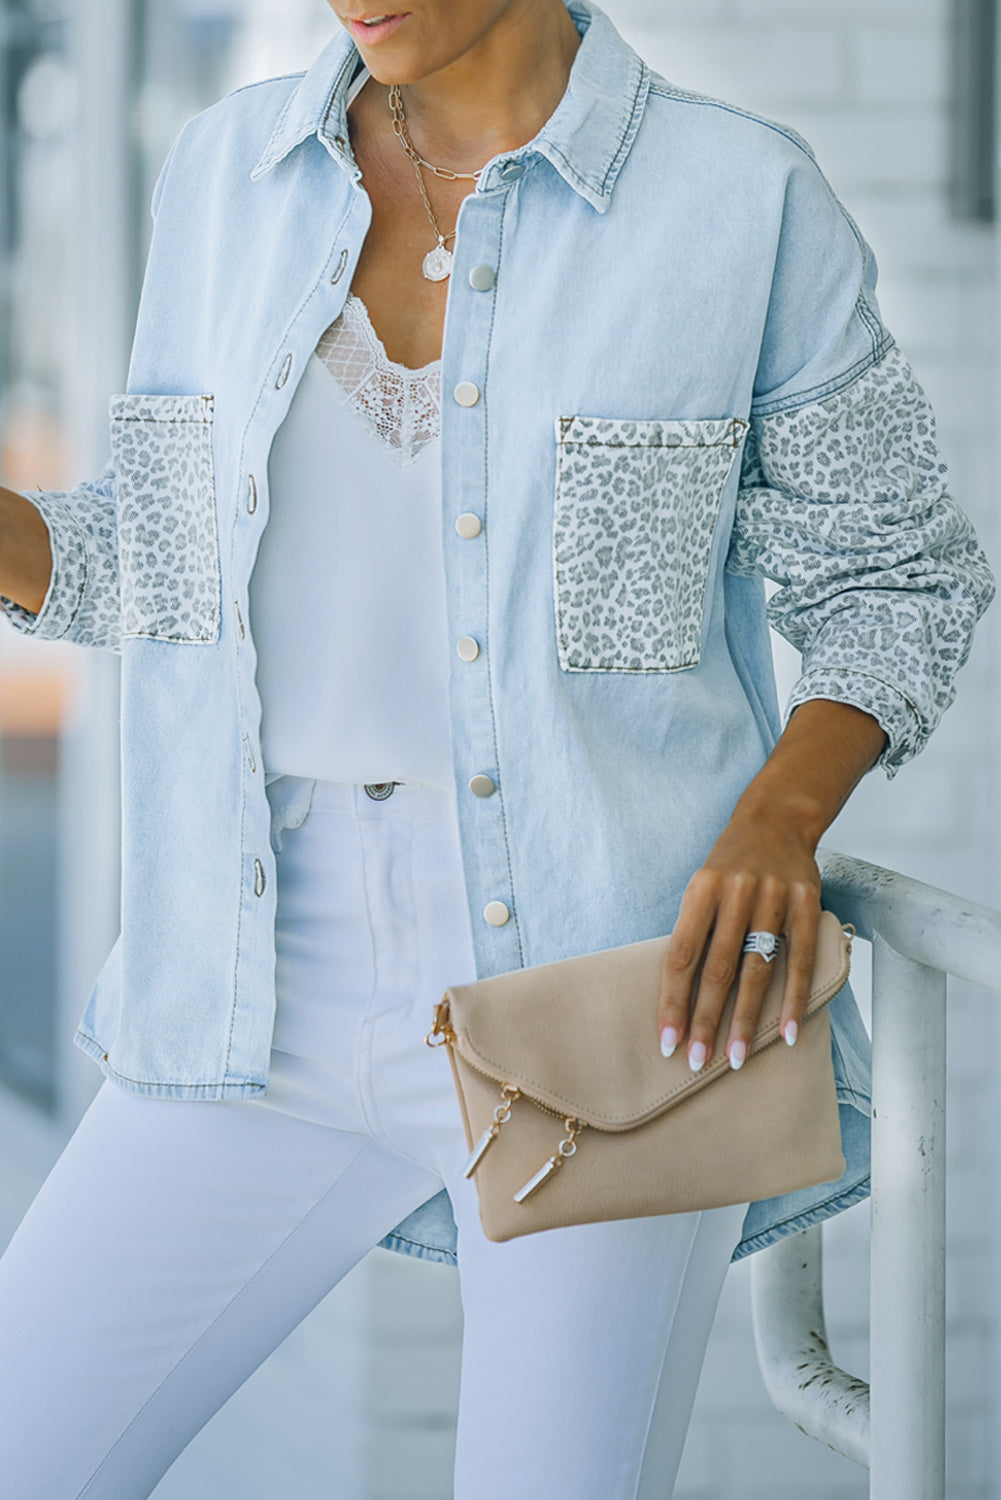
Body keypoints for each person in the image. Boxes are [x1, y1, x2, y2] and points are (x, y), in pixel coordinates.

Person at [0, 1, 993, 1496]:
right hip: (254, 972)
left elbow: (897, 573)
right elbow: (166, 559)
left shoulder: (737, 201)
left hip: (610, 994)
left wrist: (780, 816)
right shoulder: (224, 172)